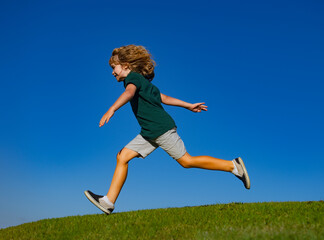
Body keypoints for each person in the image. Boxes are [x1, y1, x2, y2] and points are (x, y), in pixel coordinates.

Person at [85, 45, 250, 214]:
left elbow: (129, 93)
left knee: (187, 161)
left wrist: (112, 108)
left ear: (126, 65)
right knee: (123, 157)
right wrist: (188, 105)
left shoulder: (132, 79)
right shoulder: (144, 82)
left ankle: (233, 166)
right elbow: (164, 98)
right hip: (149, 132)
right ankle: (108, 201)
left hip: (160, 129)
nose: (112, 72)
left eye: (114, 67)